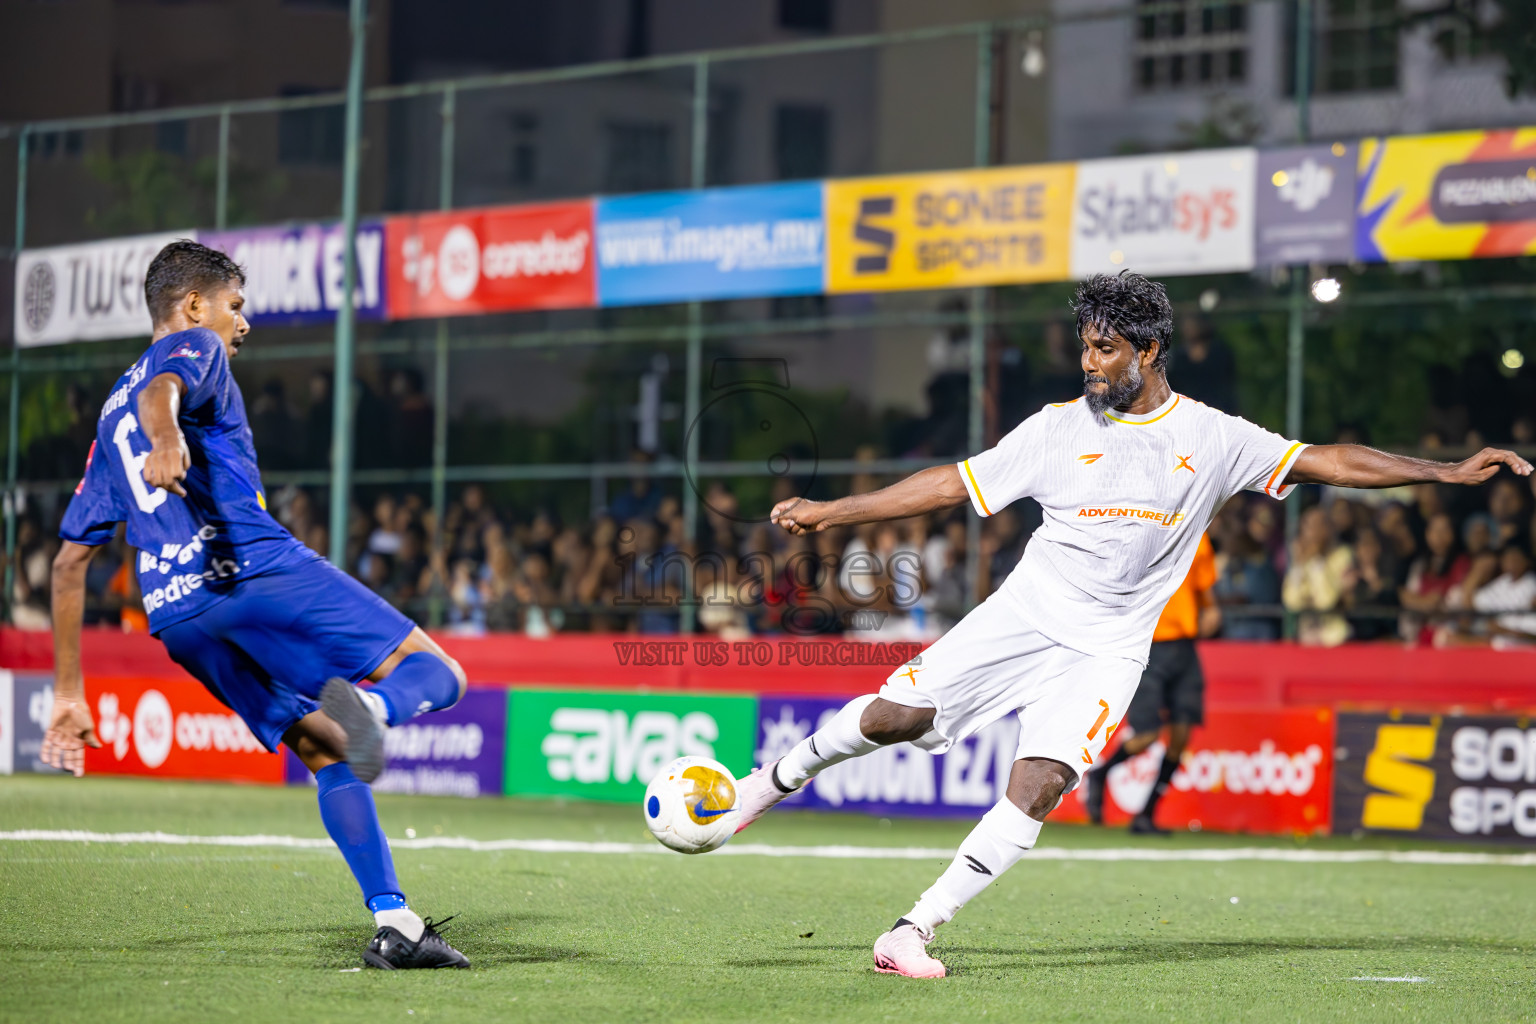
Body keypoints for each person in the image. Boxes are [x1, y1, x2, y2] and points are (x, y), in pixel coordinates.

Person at [734, 270, 1532, 979]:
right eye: (1085, 347)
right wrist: (834, 510)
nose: (1089, 363)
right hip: (1024, 615)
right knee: (895, 717)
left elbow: (1328, 460)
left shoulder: (1213, 437)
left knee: (1039, 784)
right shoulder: (1056, 428)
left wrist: (1445, 470)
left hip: (1110, 649)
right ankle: (766, 786)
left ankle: (912, 930)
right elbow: (951, 483)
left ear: (1148, 351)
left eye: (1105, 349)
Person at [41, 240, 471, 971]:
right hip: (249, 567)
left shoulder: (108, 413)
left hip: (175, 615)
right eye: (235, 306)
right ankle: (375, 712)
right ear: (193, 306)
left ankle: (394, 922)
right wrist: (170, 433)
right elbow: (162, 395)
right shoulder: (192, 351)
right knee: (440, 674)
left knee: (323, 748)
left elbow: (68, 563)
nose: (242, 324)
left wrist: (68, 694)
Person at [1082, 533, 1219, 834]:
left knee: (1181, 737)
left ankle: (1146, 815)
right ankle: (1101, 774)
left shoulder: (1200, 535)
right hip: (1148, 645)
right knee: (1147, 736)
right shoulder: (1142, 527)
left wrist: (1209, 608)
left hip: (1184, 646)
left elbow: (1202, 585)